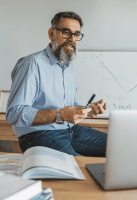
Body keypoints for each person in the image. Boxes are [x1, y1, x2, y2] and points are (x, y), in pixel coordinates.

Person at [6, 11, 107, 157]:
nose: (72, 39)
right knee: (76, 167)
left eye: (77, 34)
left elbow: (68, 104)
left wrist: (88, 111)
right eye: (66, 32)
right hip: (39, 134)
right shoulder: (32, 64)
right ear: (51, 33)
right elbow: (14, 113)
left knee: (117, 147)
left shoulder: (68, 67)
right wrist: (60, 114)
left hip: (70, 130)